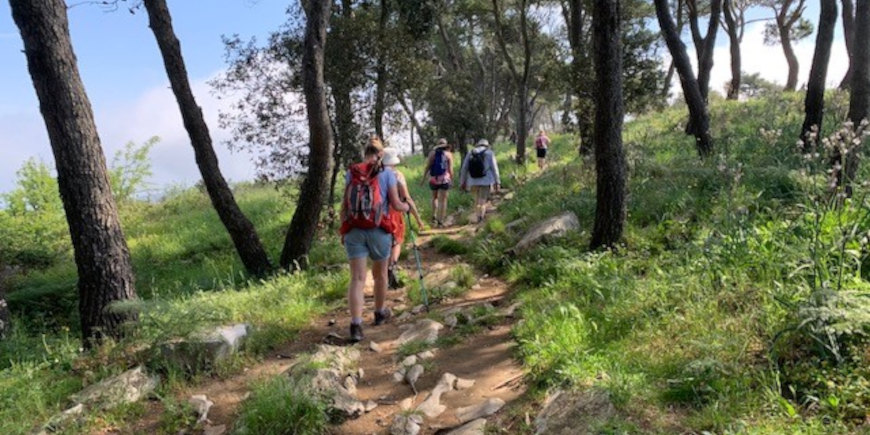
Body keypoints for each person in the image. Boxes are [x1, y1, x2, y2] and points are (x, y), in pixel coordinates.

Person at [339, 138, 410, 342]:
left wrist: (343, 230)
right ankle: (379, 313)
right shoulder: (387, 174)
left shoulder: (350, 173)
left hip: (354, 229)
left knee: (357, 279)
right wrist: (406, 208)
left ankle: (356, 325)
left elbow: (345, 204)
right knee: (380, 275)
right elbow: (396, 204)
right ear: (380, 155)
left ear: (364, 153)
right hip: (379, 229)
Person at [381, 148, 425, 289]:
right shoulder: (397, 175)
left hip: (377, 214)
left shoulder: (376, 174)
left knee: (385, 244)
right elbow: (407, 198)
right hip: (394, 212)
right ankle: (392, 266)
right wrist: (417, 218)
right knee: (397, 242)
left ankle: (384, 273)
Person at [460, 138, 501, 223]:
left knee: (476, 199)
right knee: (482, 199)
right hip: (486, 181)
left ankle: (477, 215)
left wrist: (462, 181)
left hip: (472, 180)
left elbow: (464, 168)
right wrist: (497, 181)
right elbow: (494, 168)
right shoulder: (489, 153)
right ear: (487, 145)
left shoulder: (470, 153)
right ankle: (480, 218)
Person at [421, 138, 454, 227]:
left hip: (433, 180)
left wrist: (423, 179)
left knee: (434, 197)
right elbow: (450, 169)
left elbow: (427, 167)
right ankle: (441, 220)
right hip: (444, 180)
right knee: (443, 200)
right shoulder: (448, 154)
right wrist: (452, 179)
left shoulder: (432, 154)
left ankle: (434, 215)